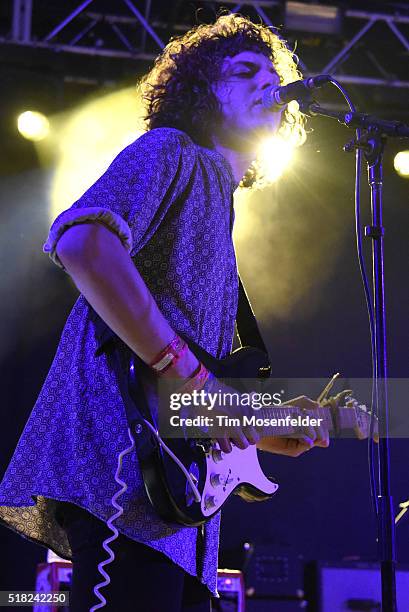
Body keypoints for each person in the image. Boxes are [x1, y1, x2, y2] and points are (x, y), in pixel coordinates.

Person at [0, 13, 329, 612]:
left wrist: (262, 422)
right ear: (202, 89)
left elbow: (186, 383)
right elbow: (83, 243)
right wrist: (184, 369)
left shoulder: (218, 208)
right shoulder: (171, 151)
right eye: (244, 71)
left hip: (176, 512)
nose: (268, 84)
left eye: (272, 73)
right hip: (122, 477)